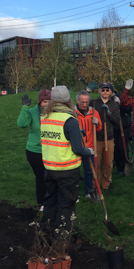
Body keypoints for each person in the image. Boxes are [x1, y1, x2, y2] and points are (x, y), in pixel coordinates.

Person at [40, 86, 93, 237]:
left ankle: (46, 231)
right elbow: (77, 149)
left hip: (49, 168)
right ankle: (61, 237)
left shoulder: (45, 117)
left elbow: (56, 137)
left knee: (51, 201)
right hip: (67, 170)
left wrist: (76, 133)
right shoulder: (70, 120)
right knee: (66, 203)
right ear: (69, 100)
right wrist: (89, 151)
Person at [17, 89, 51, 210]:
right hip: (35, 151)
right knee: (41, 176)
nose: (46, 104)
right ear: (40, 102)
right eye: (44, 101)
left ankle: (51, 199)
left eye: (49, 101)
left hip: (51, 150)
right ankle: (42, 202)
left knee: (51, 176)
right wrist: (25, 108)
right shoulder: (32, 112)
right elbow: (21, 124)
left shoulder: (53, 113)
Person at [90, 82, 120, 190]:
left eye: (107, 90)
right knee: (96, 163)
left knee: (108, 163)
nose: (105, 92)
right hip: (97, 138)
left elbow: (117, 121)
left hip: (109, 138)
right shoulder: (93, 103)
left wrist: (109, 113)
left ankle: (106, 184)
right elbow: (81, 104)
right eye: (103, 90)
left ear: (110, 91)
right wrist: (87, 90)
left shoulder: (114, 105)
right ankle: (95, 184)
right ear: (99, 91)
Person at [75, 90, 102, 198]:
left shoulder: (94, 112)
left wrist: (98, 124)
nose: (85, 105)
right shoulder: (73, 113)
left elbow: (99, 129)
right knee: (74, 172)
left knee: (89, 170)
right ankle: (74, 194)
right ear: (77, 101)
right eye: (82, 102)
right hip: (76, 146)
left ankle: (88, 191)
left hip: (89, 146)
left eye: (87, 102)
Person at [110, 88, 132, 176]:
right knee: (115, 149)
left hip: (124, 126)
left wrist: (120, 104)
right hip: (114, 127)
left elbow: (129, 109)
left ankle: (125, 165)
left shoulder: (120, 98)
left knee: (122, 147)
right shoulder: (107, 100)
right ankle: (119, 168)